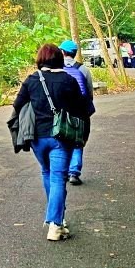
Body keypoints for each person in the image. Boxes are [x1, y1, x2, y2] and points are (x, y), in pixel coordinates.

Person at [9, 44, 90, 241]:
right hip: (60, 138)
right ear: (59, 59)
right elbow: (83, 108)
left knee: (47, 173)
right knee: (57, 178)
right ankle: (55, 224)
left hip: (36, 138)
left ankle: (58, 219)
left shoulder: (32, 80)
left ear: (40, 59)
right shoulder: (68, 80)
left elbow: (18, 105)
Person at [59, 39, 95, 186]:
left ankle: (64, 170)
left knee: (62, 140)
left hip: (62, 111)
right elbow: (89, 92)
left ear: (62, 52)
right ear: (74, 53)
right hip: (80, 112)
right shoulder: (83, 70)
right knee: (78, 141)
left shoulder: (57, 69)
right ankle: (74, 172)